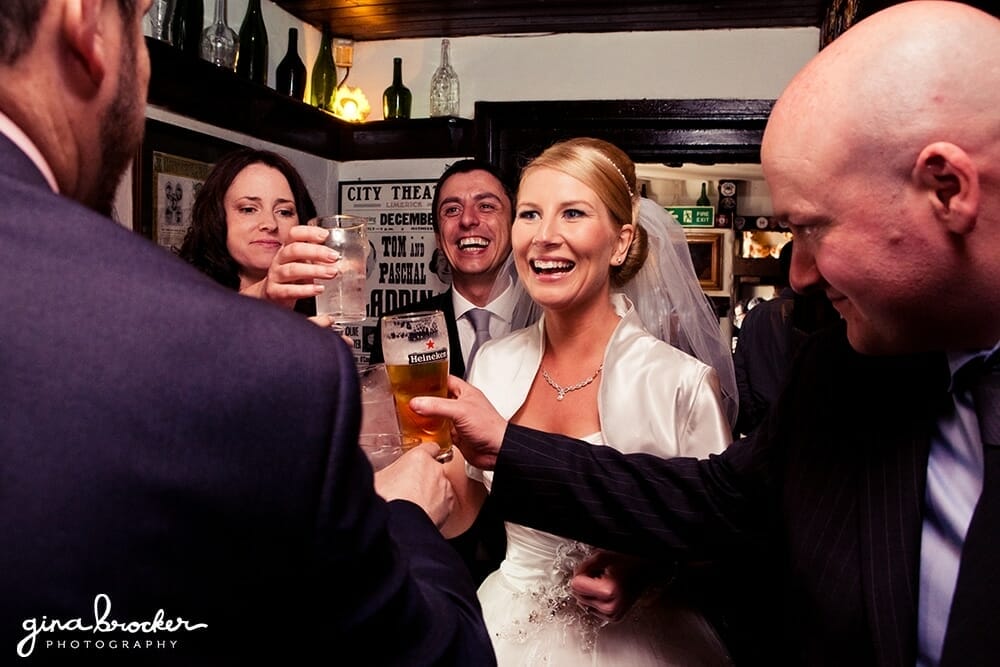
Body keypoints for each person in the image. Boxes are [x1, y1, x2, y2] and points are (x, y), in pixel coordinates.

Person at [411, 2, 1000, 665]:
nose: (797, 275)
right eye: (531, 213)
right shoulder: (844, 370)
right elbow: (720, 502)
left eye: (811, 228)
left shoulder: (683, 376)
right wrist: (496, 451)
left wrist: (652, 576)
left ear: (947, 188)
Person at [0, 1, 493, 664]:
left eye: (285, 209)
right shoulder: (258, 356)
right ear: (86, 21)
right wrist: (403, 513)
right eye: (138, 28)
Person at [451, 137, 734, 665]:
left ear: (621, 242)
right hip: (504, 630)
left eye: (573, 213)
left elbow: (724, 541)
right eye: (530, 214)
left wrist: (646, 567)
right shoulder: (493, 362)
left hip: (640, 643)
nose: (545, 237)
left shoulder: (680, 383)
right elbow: (462, 505)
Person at [369, 159, 537, 584]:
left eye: (486, 206)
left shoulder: (551, 324)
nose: (468, 220)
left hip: (535, 560)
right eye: (451, 210)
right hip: (435, 562)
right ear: (438, 232)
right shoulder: (399, 330)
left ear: (515, 222)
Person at [178, 147, 338, 323]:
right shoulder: (183, 298)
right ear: (217, 217)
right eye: (248, 209)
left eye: (284, 212)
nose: (270, 224)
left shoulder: (319, 299)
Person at [732, 240, 839, 435]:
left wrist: (755, 427)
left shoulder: (758, 315)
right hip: (821, 433)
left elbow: (741, 376)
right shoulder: (832, 312)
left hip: (765, 431)